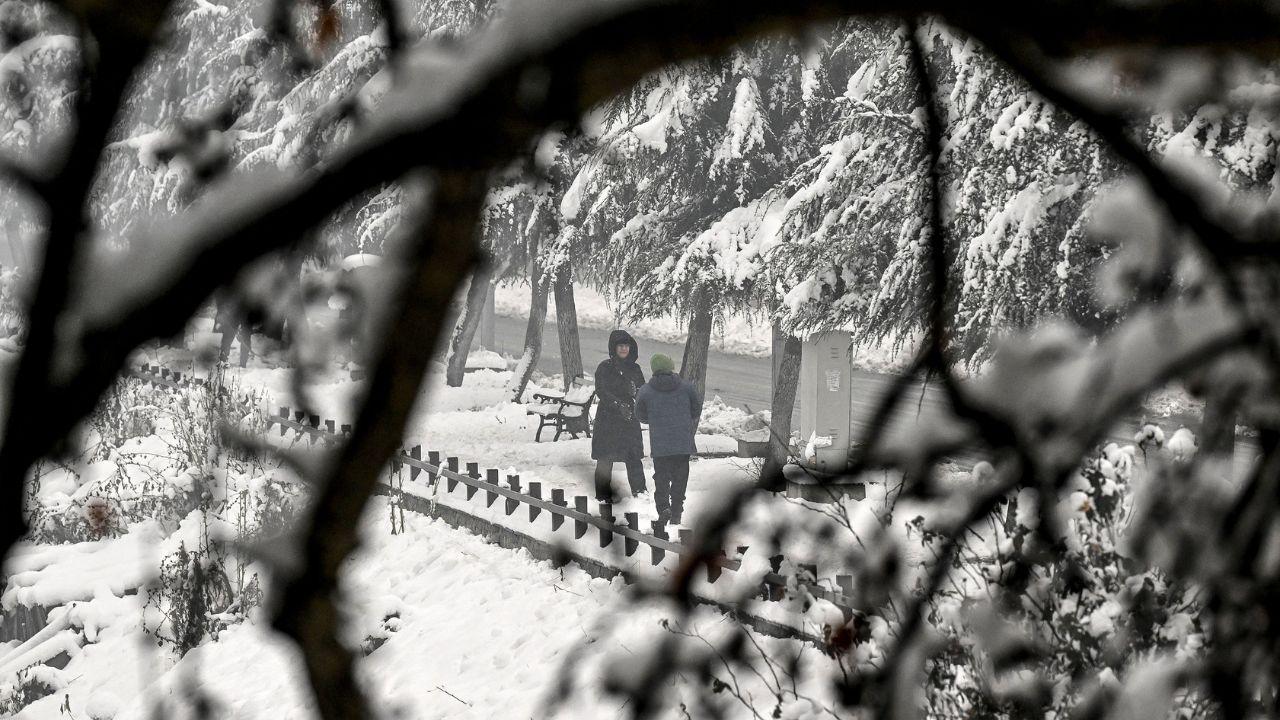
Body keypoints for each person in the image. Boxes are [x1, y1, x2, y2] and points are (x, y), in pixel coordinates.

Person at [635, 353, 702, 525]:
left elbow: (640, 415)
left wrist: (655, 419)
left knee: (661, 479)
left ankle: (663, 508)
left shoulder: (646, 391)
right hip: (682, 444)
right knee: (680, 478)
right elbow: (696, 409)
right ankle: (677, 512)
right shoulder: (686, 387)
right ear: (670, 367)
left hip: (661, 445)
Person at [592, 330, 647, 501]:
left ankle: (640, 493)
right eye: (620, 346)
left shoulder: (635, 369)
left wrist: (636, 392)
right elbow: (601, 390)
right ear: (614, 348)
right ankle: (602, 495)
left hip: (628, 419)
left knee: (633, 457)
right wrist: (617, 404)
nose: (624, 349)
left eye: (626, 346)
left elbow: (642, 391)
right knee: (605, 458)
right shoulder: (605, 367)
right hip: (608, 419)